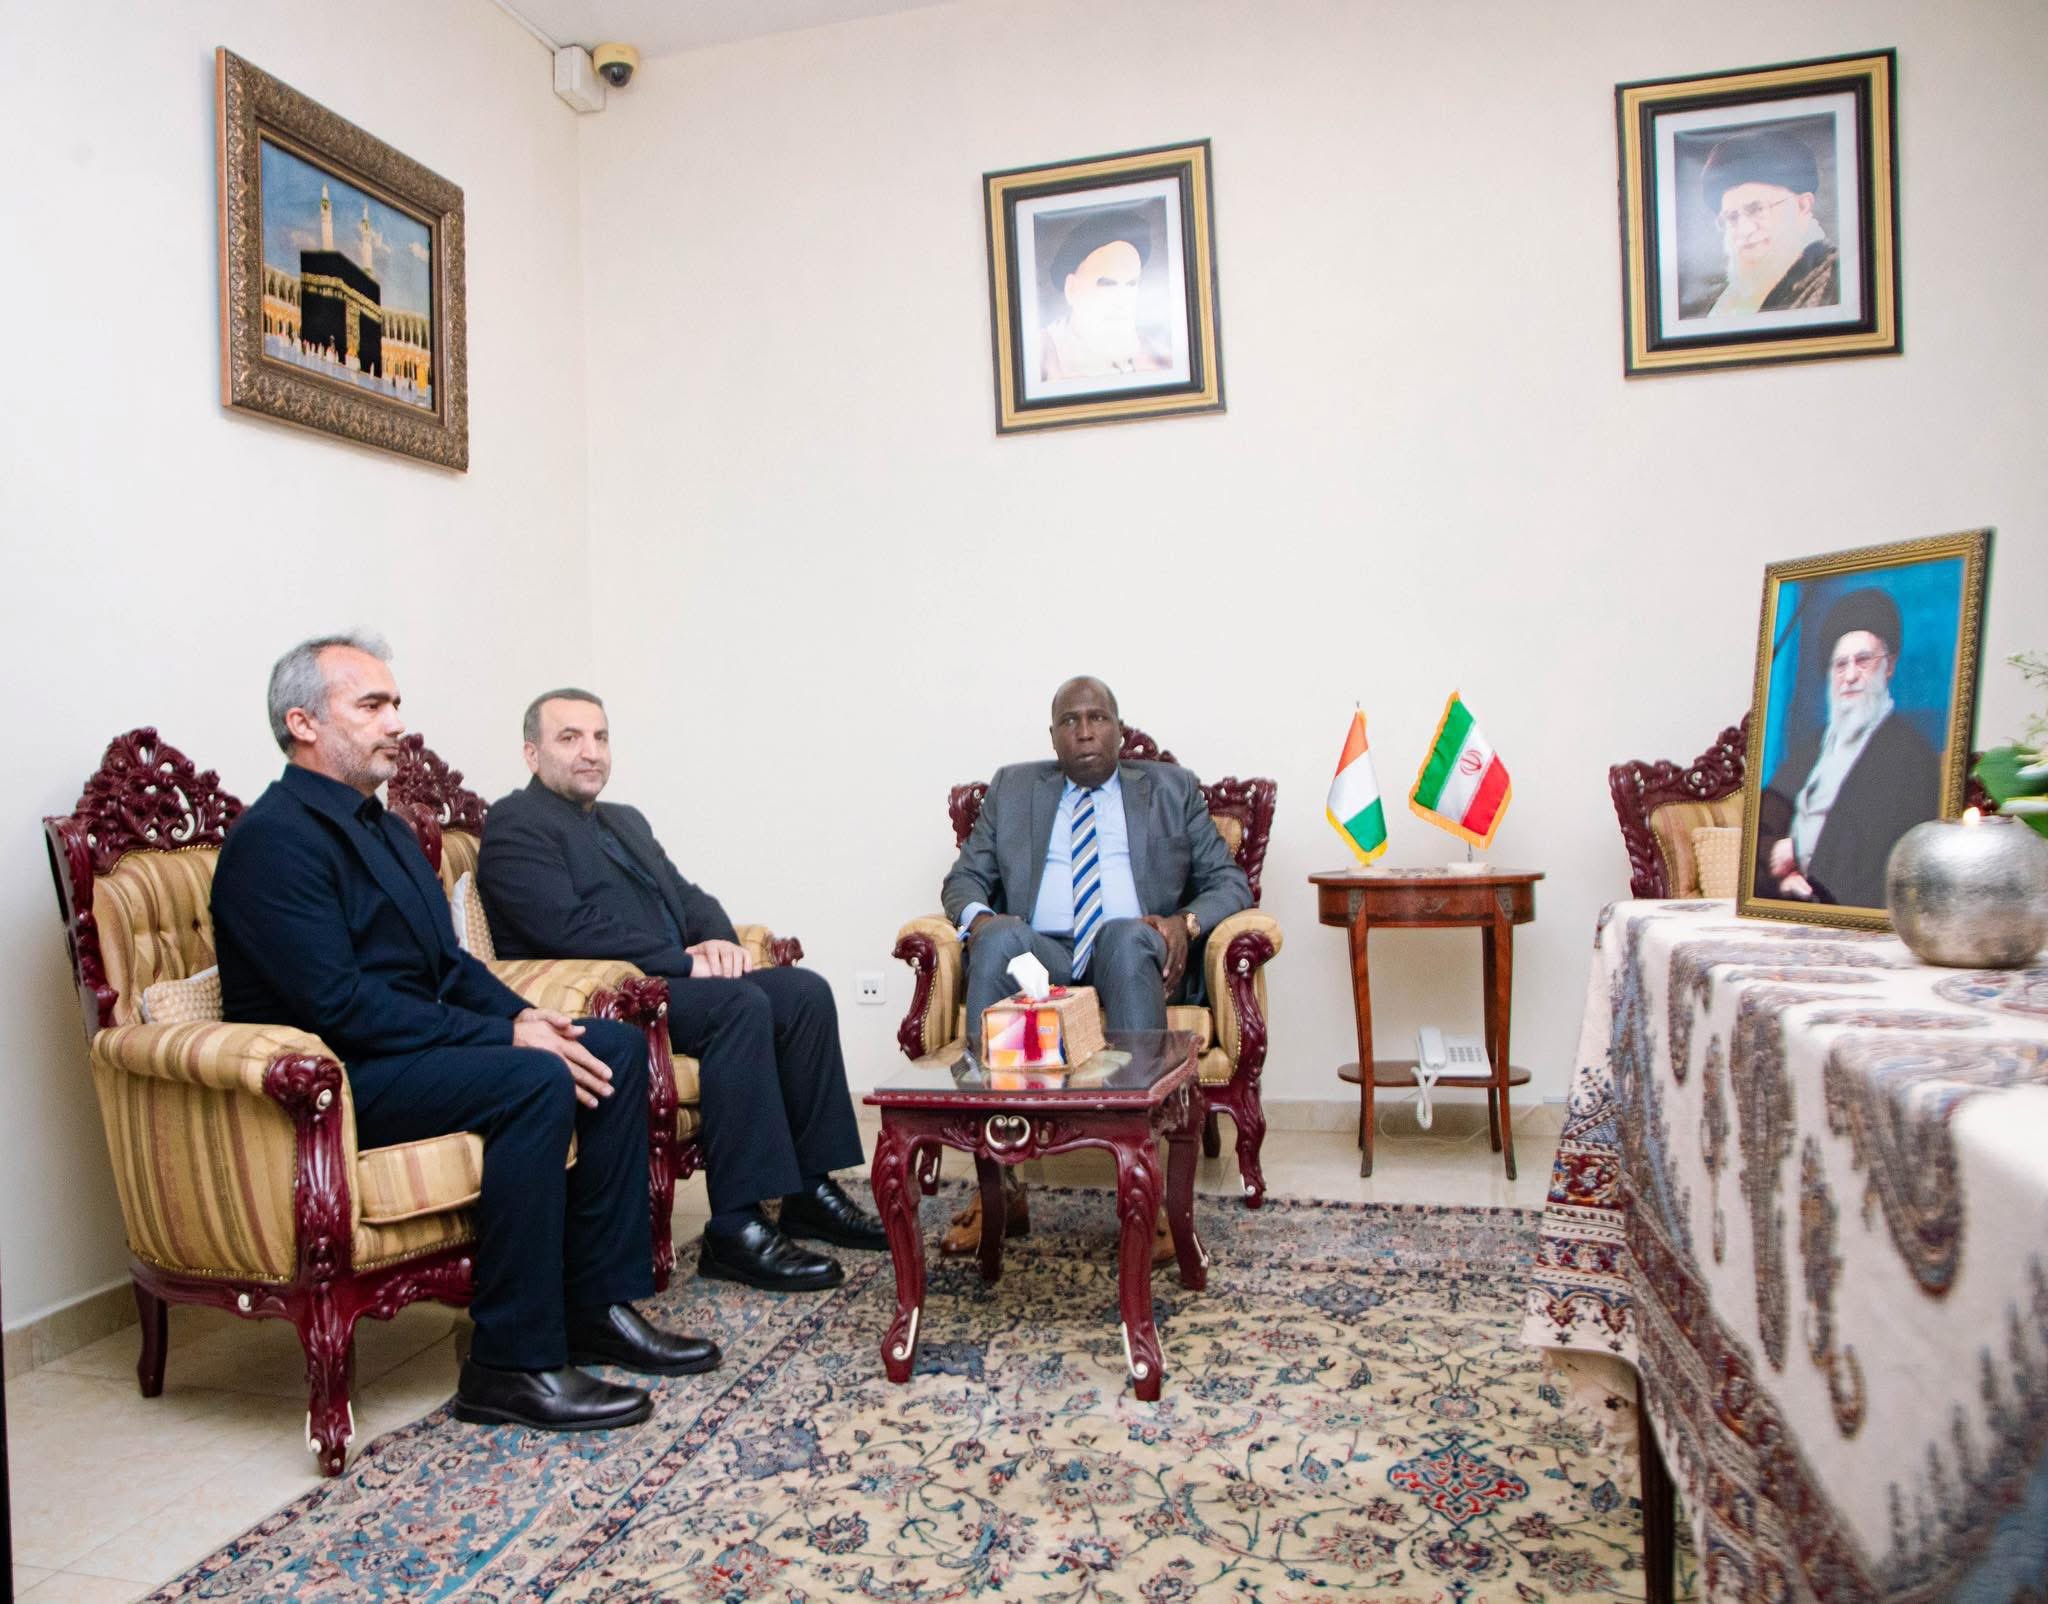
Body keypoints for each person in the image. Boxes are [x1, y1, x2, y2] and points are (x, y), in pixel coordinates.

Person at [212, 635, 717, 1436]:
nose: (395, 722)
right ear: (303, 723)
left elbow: (447, 965)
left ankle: (593, 1305)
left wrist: (522, 1016)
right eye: (371, 706)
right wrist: (506, 1041)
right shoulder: (273, 841)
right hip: (339, 1078)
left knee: (613, 1049)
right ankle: (508, 1365)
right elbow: (338, 1006)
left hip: (413, 1049)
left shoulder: (386, 830)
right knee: (535, 1080)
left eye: (395, 704)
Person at [478, 689, 885, 1296]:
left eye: (600, 737)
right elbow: (564, 928)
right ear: (532, 754)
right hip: (608, 996)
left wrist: (718, 943)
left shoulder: (625, 820)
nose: (591, 751)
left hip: (670, 980)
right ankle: (736, 1228)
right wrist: (684, 963)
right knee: (739, 1005)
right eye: (570, 738)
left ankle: (809, 1191)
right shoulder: (516, 824)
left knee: (802, 992)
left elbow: (689, 896)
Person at [939, 675, 1252, 1251]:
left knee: (1126, 938)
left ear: (1120, 730)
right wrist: (982, 921)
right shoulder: (1013, 789)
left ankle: (1145, 1191)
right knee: (999, 937)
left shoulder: (1172, 789)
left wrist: (1183, 924)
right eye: (1070, 721)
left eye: (1097, 718)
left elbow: (1230, 883)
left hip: (1129, 950)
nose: (1084, 732)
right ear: (1053, 737)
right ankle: (998, 1187)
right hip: (1044, 952)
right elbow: (963, 881)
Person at [1755, 589, 1942, 908]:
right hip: (1790, 903)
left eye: (1863, 661)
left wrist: (1807, 874)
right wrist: (1778, 865)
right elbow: (1764, 823)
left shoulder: (1911, 757)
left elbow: (1891, 864)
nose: (1850, 676)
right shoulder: (1811, 750)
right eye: (1840, 665)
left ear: (1889, 665)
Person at [1684, 126, 1840, 318]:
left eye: (1757, 209)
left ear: (1802, 206)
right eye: (1732, 217)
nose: (1745, 229)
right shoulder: (1723, 302)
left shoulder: (1837, 282)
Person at [1038, 208, 1173, 382]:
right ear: (1072, 290)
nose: (1122, 300)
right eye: (1108, 285)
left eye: (1131, 284)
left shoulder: (1159, 357)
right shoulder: (1040, 356)